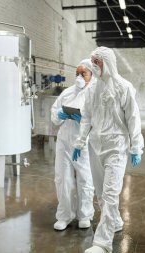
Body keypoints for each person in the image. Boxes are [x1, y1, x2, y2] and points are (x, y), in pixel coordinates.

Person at [72, 47, 144, 253]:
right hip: (96, 147)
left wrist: (136, 146)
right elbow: (86, 118)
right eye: (92, 61)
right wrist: (80, 142)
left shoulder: (124, 87)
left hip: (116, 148)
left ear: (108, 62)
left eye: (98, 61)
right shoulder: (92, 89)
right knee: (102, 193)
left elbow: (133, 119)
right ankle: (116, 222)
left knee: (111, 194)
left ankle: (102, 244)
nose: (93, 65)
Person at [51, 59, 95, 231]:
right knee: (62, 179)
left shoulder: (95, 94)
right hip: (63, 141)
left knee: (85, 178)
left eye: (83, 73)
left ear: (91, 74)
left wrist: (84, 120)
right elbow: (54, 112)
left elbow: (99, 119)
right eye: (77, 73)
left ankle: (85, 214)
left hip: (83, 142)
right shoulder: (67, 92)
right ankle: (64, 215)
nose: (79, 76)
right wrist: (59, 115)